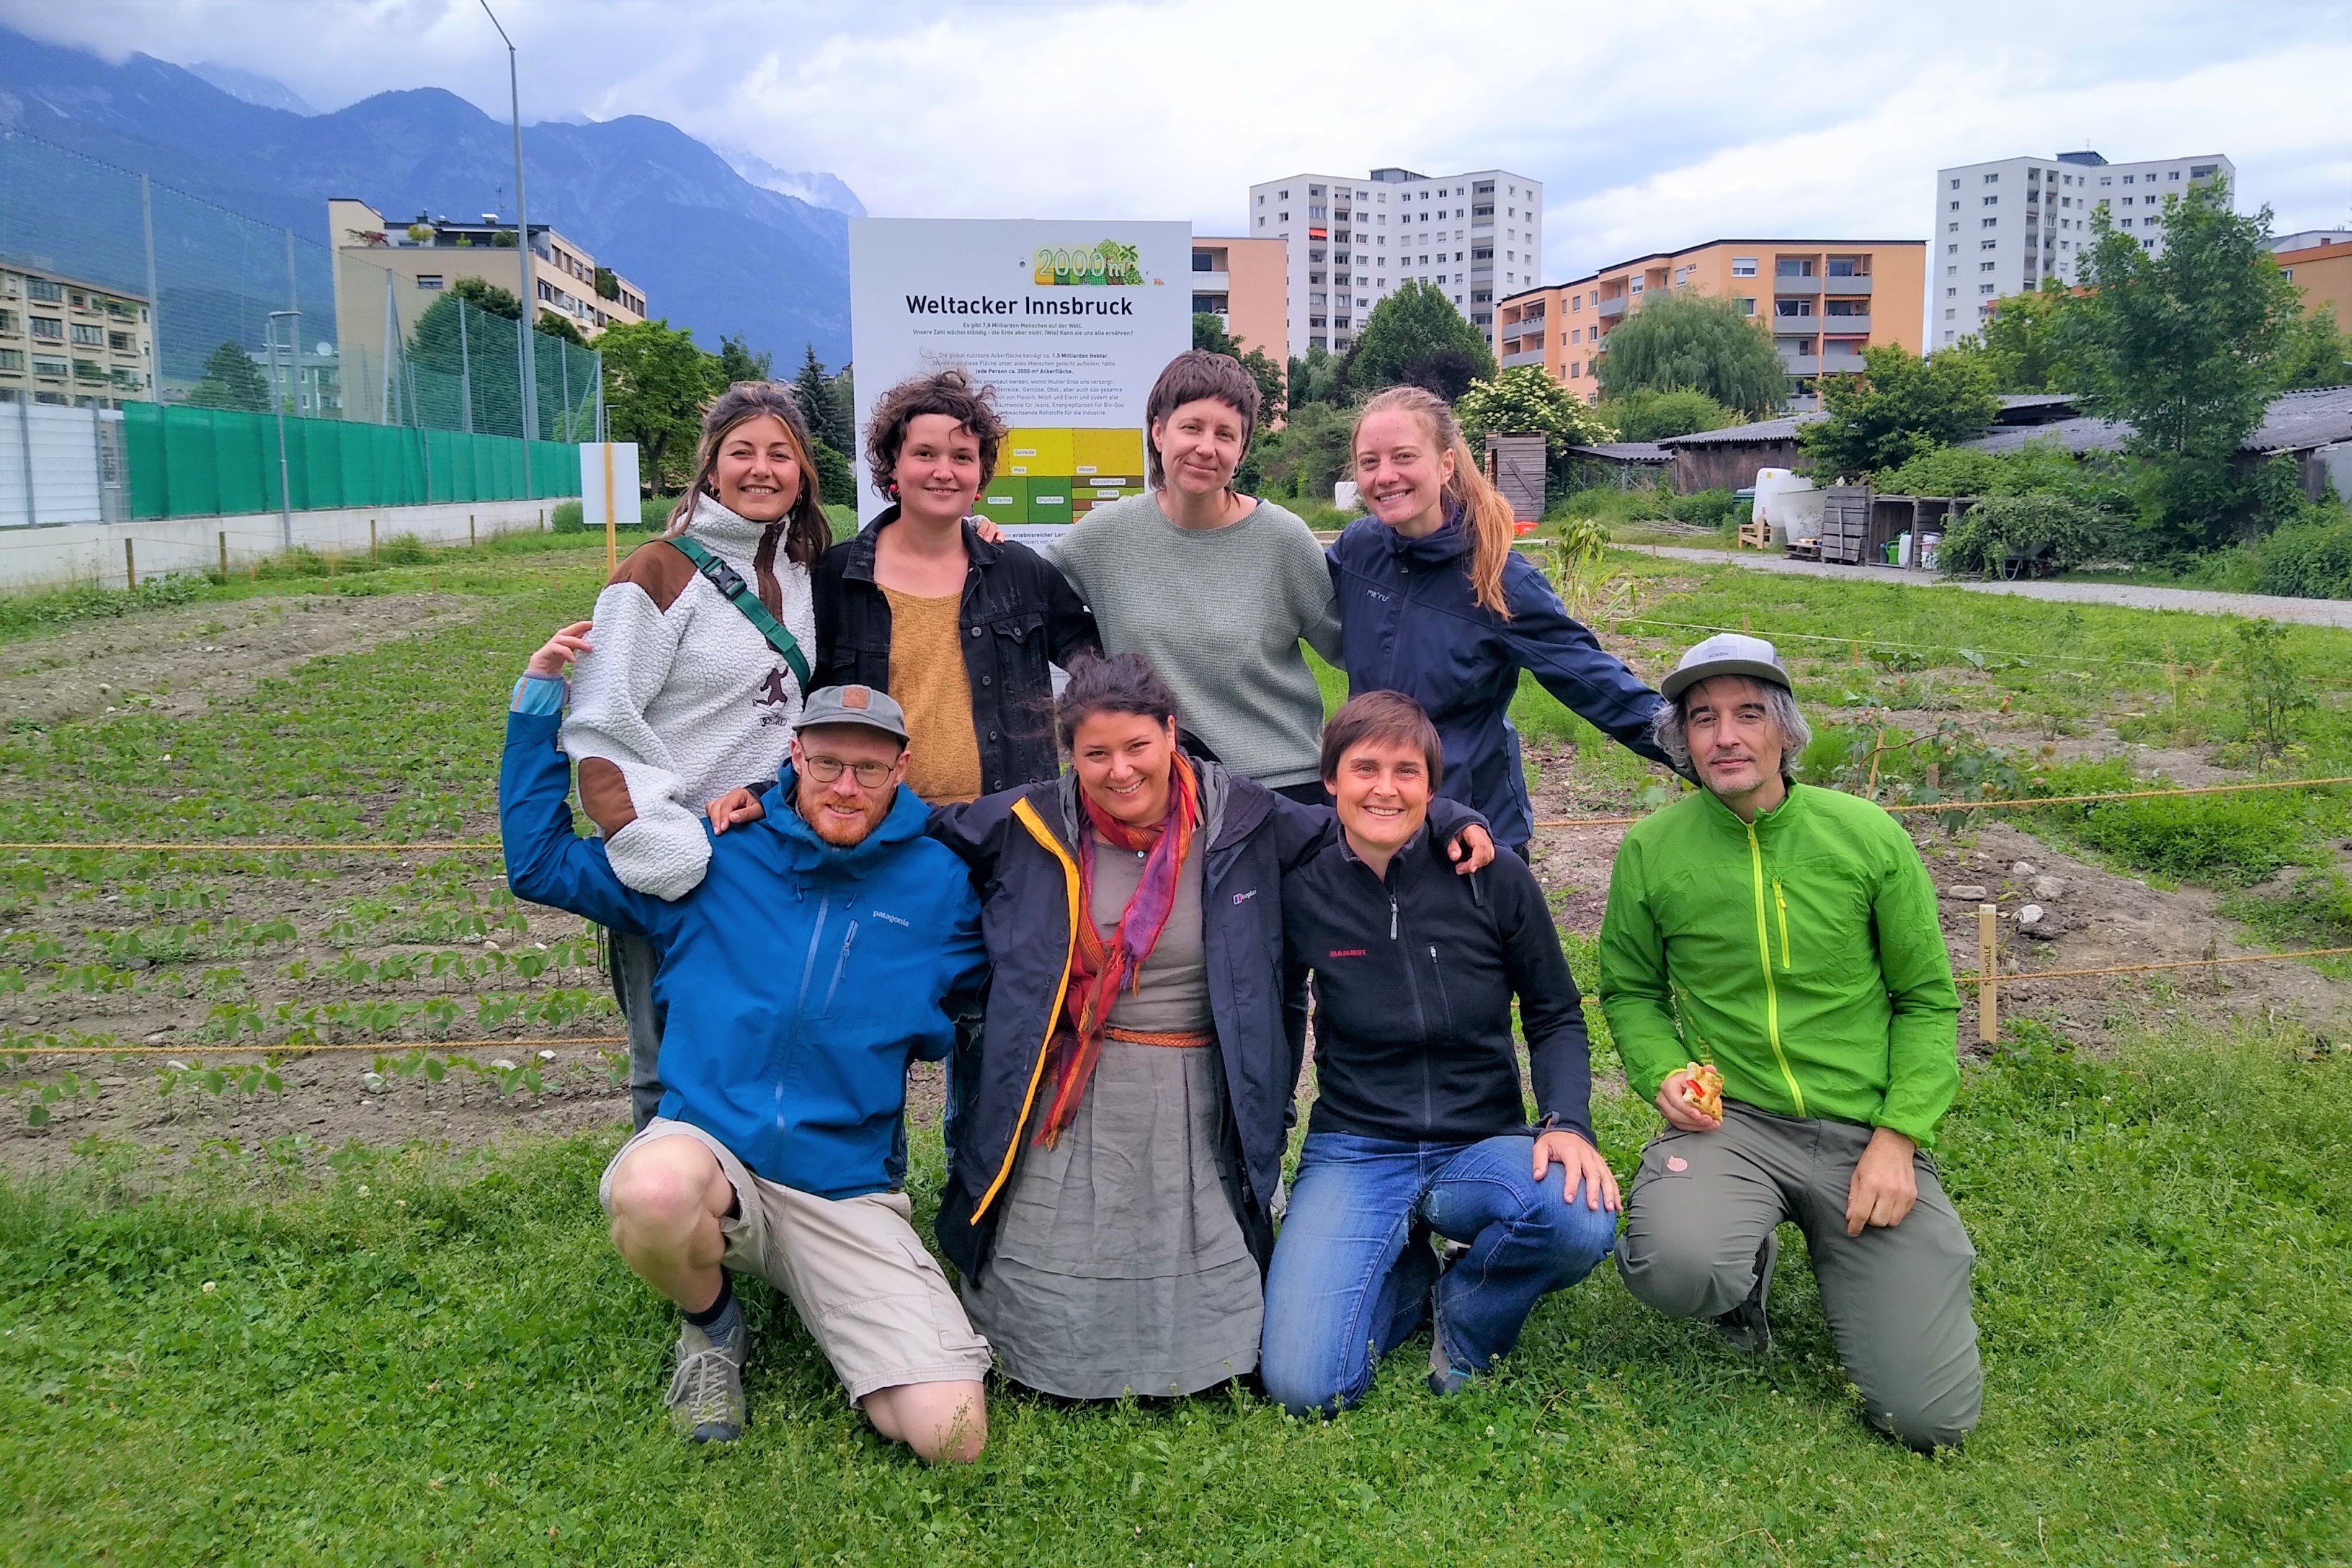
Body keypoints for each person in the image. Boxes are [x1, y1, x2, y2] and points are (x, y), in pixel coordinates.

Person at [899, 654, 1494, 1399]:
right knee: (1048, 1296)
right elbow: (913, 824)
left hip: (1196, 1091)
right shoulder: (1030, 823)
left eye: (1138, 746)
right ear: (1070, 755)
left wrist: (1447, 814)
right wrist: (775, 800)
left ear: (1171, 733)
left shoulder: (1243, 818)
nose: (1120, 770)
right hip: (1067, 1094)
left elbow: (1360, 815)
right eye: (1096, 753)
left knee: (1217, 1316)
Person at [504, 641, 992, 1463]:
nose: (845, 785)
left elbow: (1023, 984)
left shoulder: (944, 888)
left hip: (842, 1186)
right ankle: (711, 1325)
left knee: (952, 1437)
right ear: (794, 754)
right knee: (654, 1188)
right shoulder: (713, 855)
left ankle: (831, 1291)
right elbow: (541, 865)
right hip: (710, 1151)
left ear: (902, 769)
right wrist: (536, 707)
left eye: (868, 770)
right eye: (827, 761)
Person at [1597, 633, 1980, 1452]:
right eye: (1701, 719)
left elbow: (1926, 1000)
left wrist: (1898, 1137)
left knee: (1928, 1422)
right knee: (1677, 1264)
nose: (1724, 736)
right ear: (1681, 740)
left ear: (1785, 732)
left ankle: (1879, 1259)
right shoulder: (1651, 851)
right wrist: (1662, 1071)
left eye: (1746, 714)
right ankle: (1740, 1268)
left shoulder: (1867, 837)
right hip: (1732, 1125)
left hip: (1860, 1131)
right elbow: (1628, 989)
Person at [1258, 691, 1619, 1415]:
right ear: (1330, 780)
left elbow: (1553, 1012)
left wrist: (1567, 1122)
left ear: (1433, 785)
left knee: (1576, 1216)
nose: (1385, 788)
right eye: (1364, 768)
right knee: (1307, 1388)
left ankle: (1469, 1315)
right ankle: (1409, 1271)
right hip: (1357, 1148)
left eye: (1407, 771)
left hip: (1478, 1142)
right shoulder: (1300, 886)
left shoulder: (1493, 877)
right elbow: (1276, 1008)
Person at [560, 383, 831, 1131]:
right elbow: (601, 723)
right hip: (677, 859)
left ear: (803, 470)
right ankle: (670, 1234)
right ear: (710, 469)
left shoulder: (807, 569)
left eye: (780, 453)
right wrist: (662, 847)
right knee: (666, 1068)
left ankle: (758, 1224)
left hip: (771, 857)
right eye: (741, 451)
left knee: (764, 1053)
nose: (761, 469)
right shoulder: (657, 572)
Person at [1328, 384, 1676, 856]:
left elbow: (1593, 680)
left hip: (1472, 828)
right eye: (1370, 462)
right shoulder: (1357, 551)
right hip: (1376, 815)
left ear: (1445, 464)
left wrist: (1697, 747)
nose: (1385, 476)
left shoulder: (1498, 579)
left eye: (1403, 457)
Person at [1048, 350, 1342, 804]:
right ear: (1159, 431)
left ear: (1241, 452)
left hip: (1280, 791)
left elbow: (1361, 649)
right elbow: (1024, 596)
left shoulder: (1283, 539)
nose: (1207, 447)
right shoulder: (1104, 537)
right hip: (1158, 794)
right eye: (1192, 427)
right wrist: (978, 540)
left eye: (1225, 434)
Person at [814, 368, 1099, 805]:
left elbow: (1095, 663)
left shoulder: (1019, 572)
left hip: (1010, 824)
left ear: (980, 475)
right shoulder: (840, 574)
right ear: (894, 463)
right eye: (925, 453)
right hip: (880, 823)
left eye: (962, 457)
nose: (943, 471)